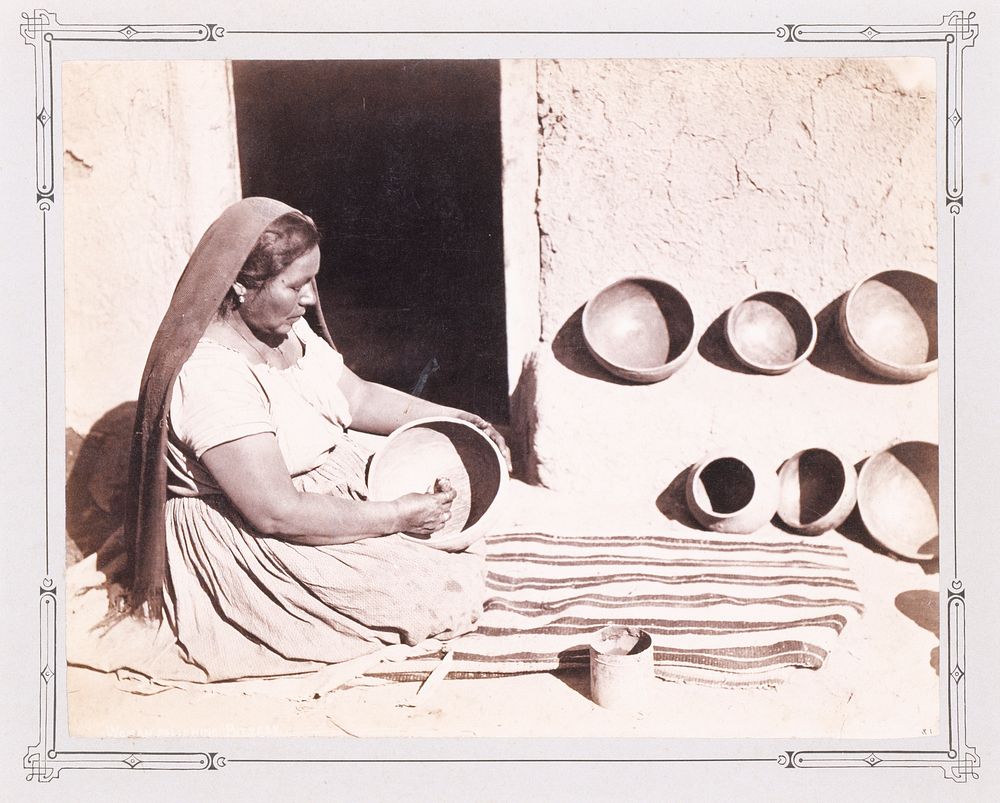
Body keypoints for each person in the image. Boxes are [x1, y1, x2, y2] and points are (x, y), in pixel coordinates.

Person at [123, 197, 510, 680]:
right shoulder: (211, 377)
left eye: (312, 280)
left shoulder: (287, 333)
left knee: (445, 563)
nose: (309, 299)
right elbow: (275, 511)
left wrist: (457, 417)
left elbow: (359, 399)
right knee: (421, 593)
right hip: (254, 528)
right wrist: (396, 515)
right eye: (295, 285)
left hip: (314, 497)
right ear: (242, 285)